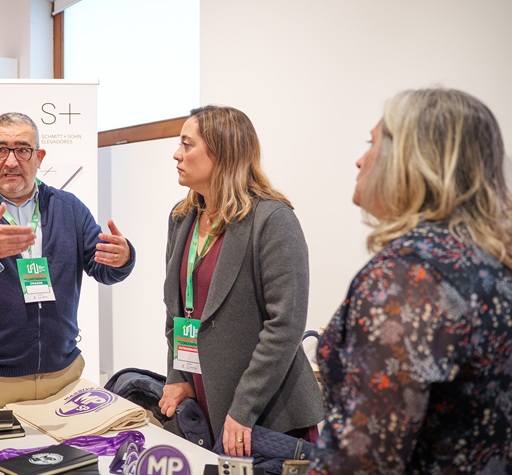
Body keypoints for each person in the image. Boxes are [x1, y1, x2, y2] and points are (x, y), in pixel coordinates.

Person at [310, 88, 512, 474]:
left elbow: (365, 457)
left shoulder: (407, 277)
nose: (359, 160)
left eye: (372, 143)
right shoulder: (491, 264)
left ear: (410, 160)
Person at [0, 112, 135, 411]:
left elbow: (102, 269)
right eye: (0, 150)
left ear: (39, 157)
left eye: (22, 150)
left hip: (63, 376)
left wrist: (122, 258)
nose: (11, 161)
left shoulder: (68, 207)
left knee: (71, 445)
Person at [158, 105, 324, 457]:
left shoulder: (273, 220)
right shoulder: (182, 217)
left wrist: (243, 410)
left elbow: (285, 326)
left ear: (221, 152)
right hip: (204, 399)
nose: (176, 154)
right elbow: (177, 310)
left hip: (266, 414)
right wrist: (178, 376)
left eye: (187, 144)